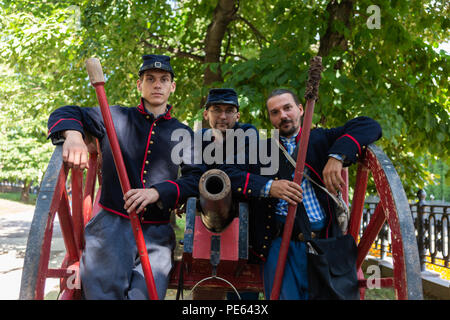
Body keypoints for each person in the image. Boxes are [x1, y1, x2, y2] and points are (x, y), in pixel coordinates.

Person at [47, 54, 202, 300]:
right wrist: (74, 136)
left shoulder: (181, 132)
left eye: (164, 79)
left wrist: (158, 192)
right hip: (111, 228)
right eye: (150, 79)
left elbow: (196, 180)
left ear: (172, 87)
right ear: (139, 85)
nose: (157, 85)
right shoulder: (115, 117)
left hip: (157, 233)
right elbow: (65, 113)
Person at [224, 88, 382, 299]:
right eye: (275, 112)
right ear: (271, 119)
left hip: (323, 243)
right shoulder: (261, 150)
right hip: (279, 244)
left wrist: (337, 156)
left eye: (287, 108)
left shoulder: (323, 139)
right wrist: (270, 186)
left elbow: (369, 125)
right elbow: (228, 173)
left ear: (300, 109)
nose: (283, 115)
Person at [191, 88, 261, 300]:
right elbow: (191, 176)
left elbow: (238, 171)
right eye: (216, 110)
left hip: (243, 224)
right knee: (205, 294)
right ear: (206, 114)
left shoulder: (248, 134)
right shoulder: (197, 139)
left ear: (237, 116)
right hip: (206, 222)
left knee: (243, 298)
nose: (223, 116)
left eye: (229, 110)